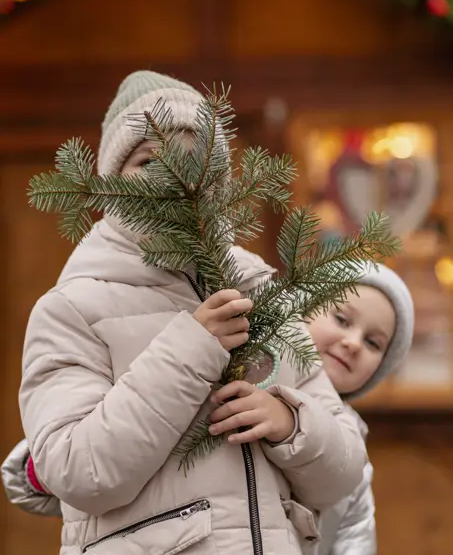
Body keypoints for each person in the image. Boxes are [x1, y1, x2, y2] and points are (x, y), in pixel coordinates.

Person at [4, 71, 367, 555]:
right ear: (112, 182)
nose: (175, 178)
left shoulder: (261, 294)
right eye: (149, 159)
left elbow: (341, 476)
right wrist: (193, 346)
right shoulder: (72, 308)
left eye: (194, 163)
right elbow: (79, 472)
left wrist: (291, 423)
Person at [307, 263, 414, 555]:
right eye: (341, 319)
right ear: (305, 310)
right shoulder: (247, 384)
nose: (353, 343)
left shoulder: (354, 453)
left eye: (372, 342)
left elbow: (355, 535)